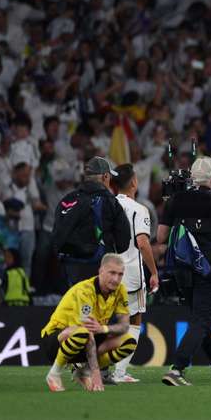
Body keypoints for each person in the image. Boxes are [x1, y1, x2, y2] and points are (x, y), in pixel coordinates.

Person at [159, 156, 211, 387]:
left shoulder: (175, 200)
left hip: (182, 268)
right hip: (210, 267)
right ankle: (177, 369)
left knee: (200, 318)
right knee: (201, 319)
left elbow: (161, 237)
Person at [41, 254, 137, 392]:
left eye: (120, 274)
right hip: (56, 340)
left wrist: (104, 329)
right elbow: (88, 332)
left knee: (128, 342)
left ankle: (82, 371)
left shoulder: (120, 290)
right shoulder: (85, 290)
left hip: (84, 339)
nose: (116, 279)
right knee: (84, 333)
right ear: (101, 271)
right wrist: (96, 373)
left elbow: (124, 326)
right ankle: (54, 374)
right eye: (112, 273)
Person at [111, 164, 159, 383]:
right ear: (133, 182)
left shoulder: (108, 205)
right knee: (134, 319)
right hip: (129, 272)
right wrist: (154, 271)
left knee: (106, 319)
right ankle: (119, 372)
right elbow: (142, 242)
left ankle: (98, 369)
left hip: (106, 270)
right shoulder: (139, 209)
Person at [52, 157, 131, 286]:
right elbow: (123, 242)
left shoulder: (68, 199)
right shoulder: (110, 202)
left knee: (78, 303)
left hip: (71, 268)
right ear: (105, 176)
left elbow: (56, 235)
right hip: (98, 267)